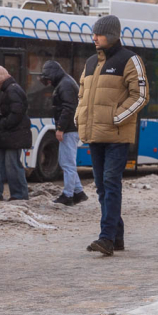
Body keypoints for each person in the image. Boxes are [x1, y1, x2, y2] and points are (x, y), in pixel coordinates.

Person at [76, 15, 149, 256]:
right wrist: (79, 117)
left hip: (116, 136)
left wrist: (116, 117)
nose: (93, 37)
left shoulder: (130, 60)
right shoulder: (89, 63)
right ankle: (116, 237)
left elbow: (140, 95)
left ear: (113, 35)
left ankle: (106, 238)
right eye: (93, 33)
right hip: (95, 134)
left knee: (110, 182)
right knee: (101, 187)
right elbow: (81, 95)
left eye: (98, 33)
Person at [40, 60, 88, 206]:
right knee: (66, 162)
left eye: (48, 78)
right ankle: (79, 192)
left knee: (67, 163)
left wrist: (60, 128)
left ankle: (68, 195)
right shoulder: (66, 82)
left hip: (69, 129)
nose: (48, 81)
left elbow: (68, 108)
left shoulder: (65, 84)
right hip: (71, 128)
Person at [0, 66, 31, 202]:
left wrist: (1, 122)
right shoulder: (11, 89)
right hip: (9, 136)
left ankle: (18, 195)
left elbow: (16, 113)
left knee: (11, 166)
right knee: (0, 165)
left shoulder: (12, 90)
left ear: (0, 79)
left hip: (12, 136)